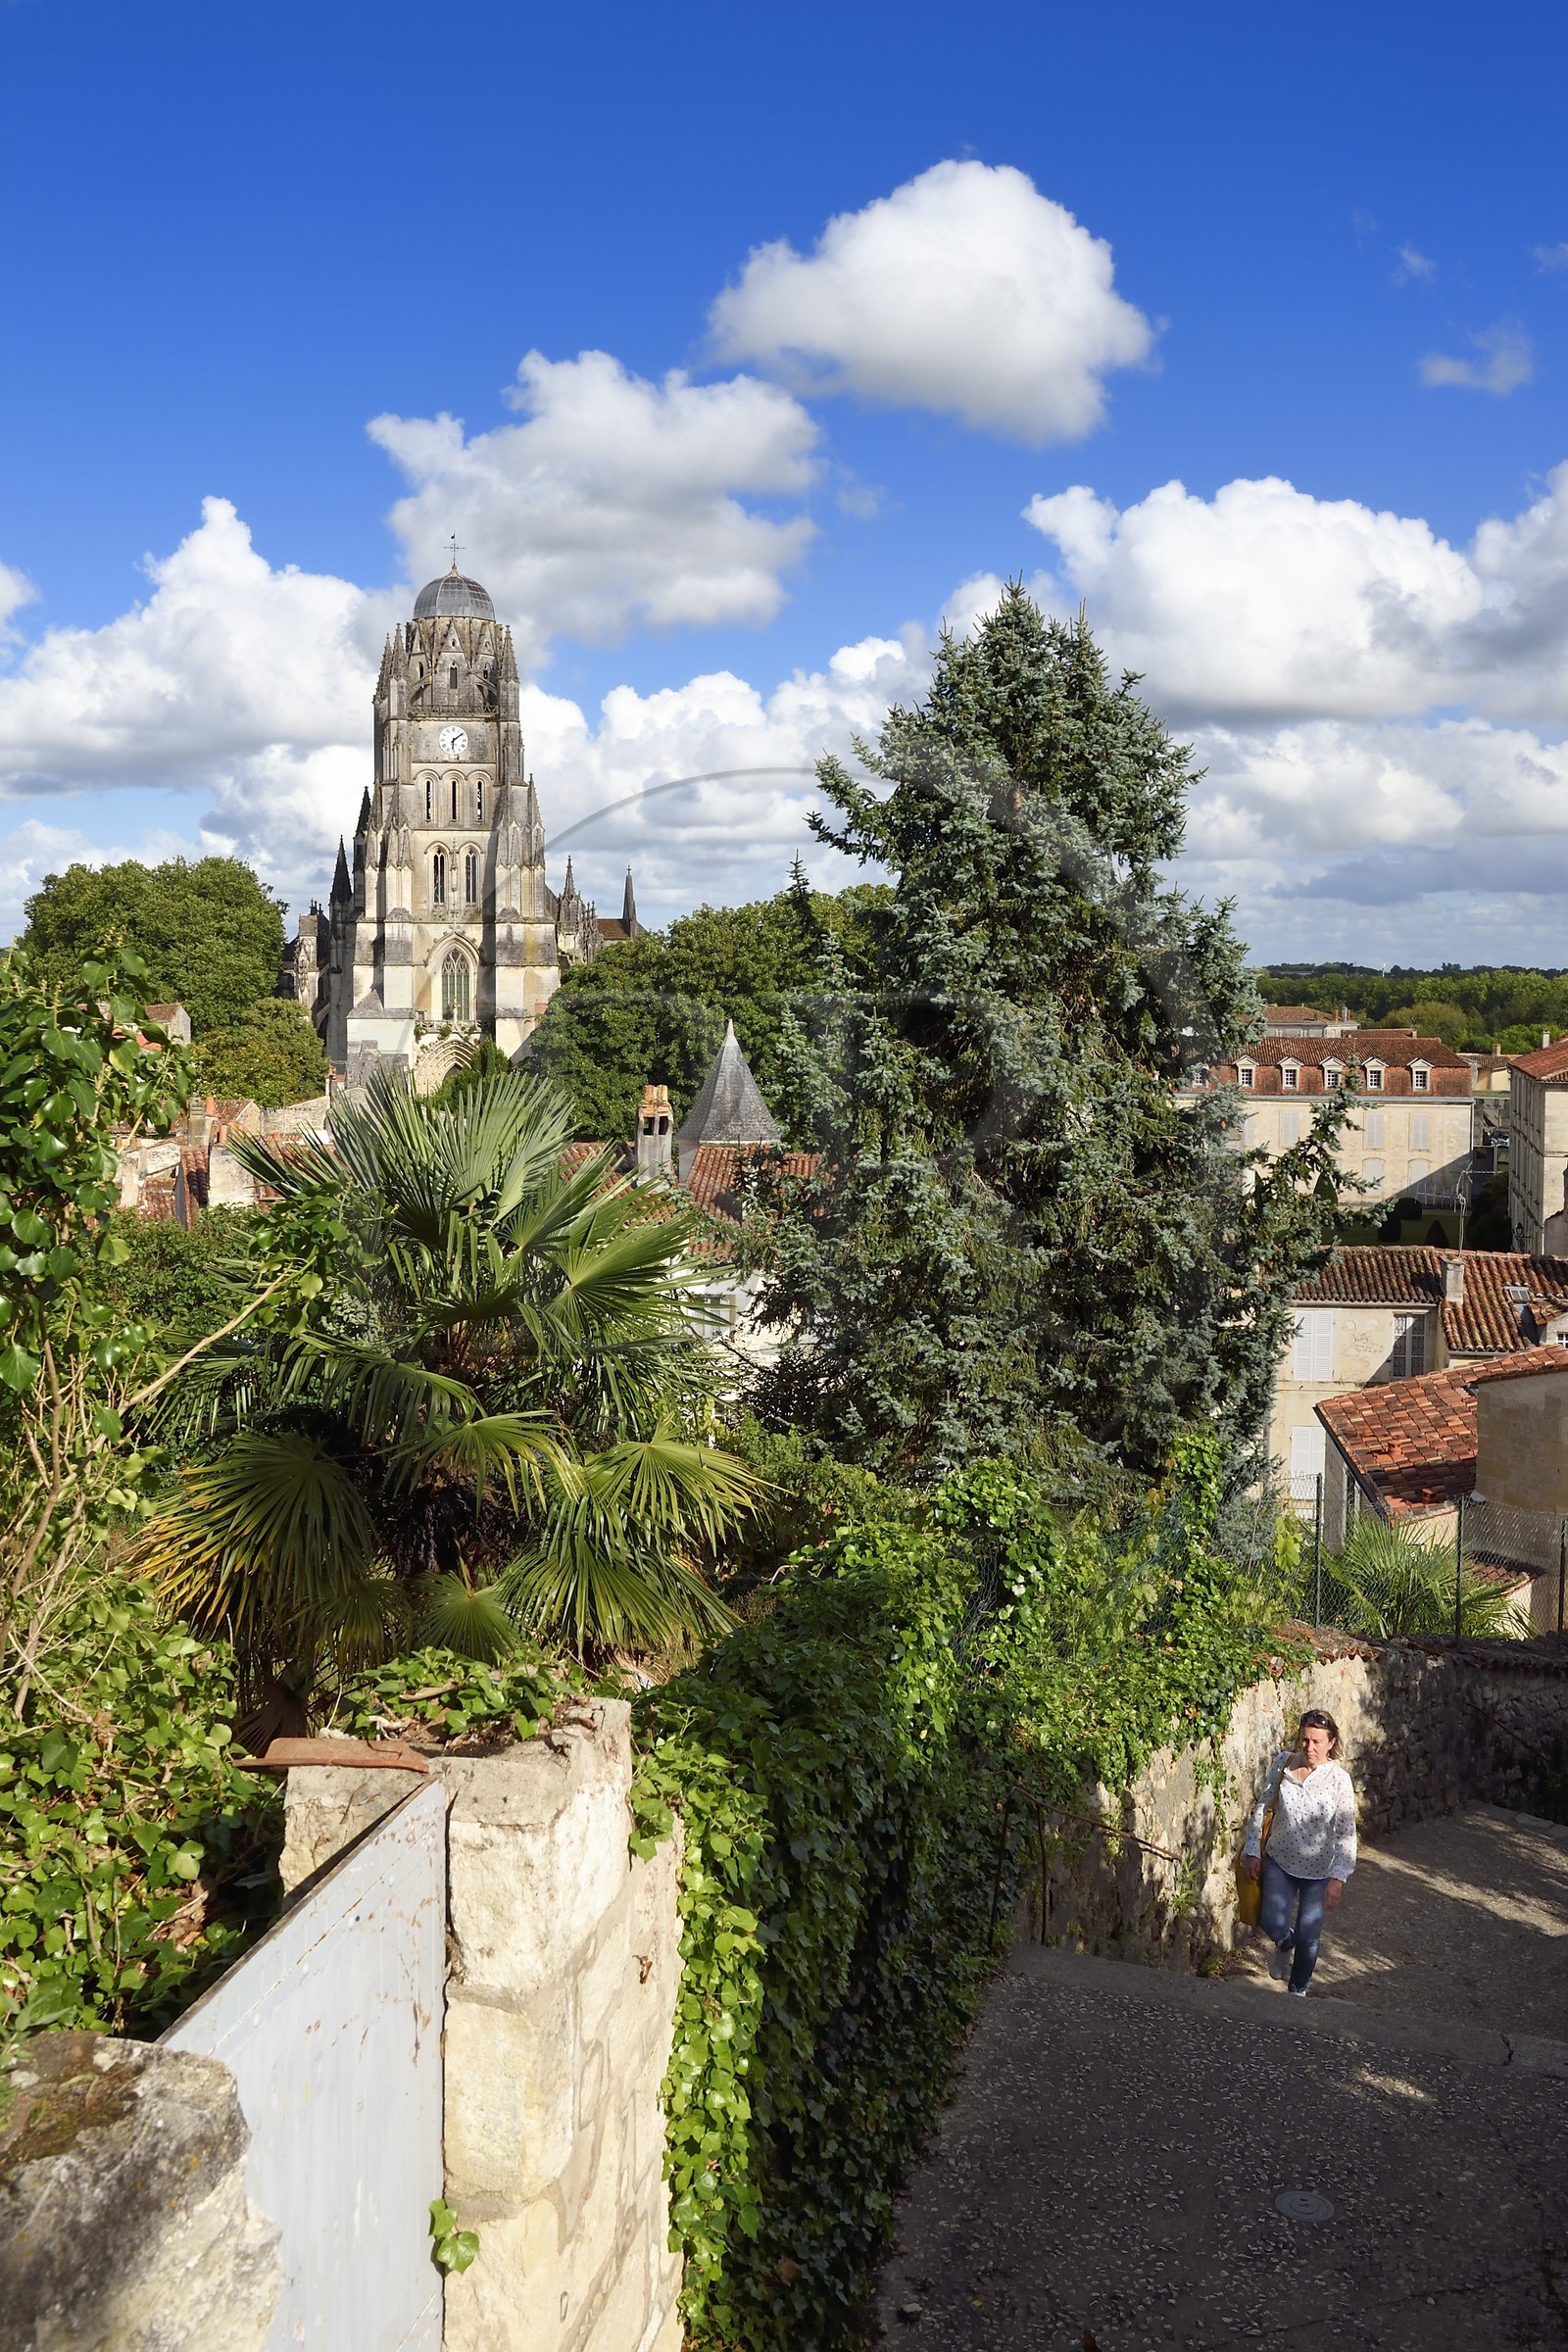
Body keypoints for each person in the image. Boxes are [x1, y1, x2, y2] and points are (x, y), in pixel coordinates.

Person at [1241, 1709, 1356, 1997]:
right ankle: (1284, 1942)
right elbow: (1263, 1805)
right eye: (1305, 1740)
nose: (1310, 1747)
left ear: (1331, 1742)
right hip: (1280, 1859)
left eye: (1317, 1741)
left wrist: (1338, 1878)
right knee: (1271, 1921)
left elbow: (1346, 1831)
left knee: (1309, 1936)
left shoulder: (1339, 1780)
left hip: (1319, 1871)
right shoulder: (1284, 1763)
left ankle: (1298, 1991)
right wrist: (1252, 1848)